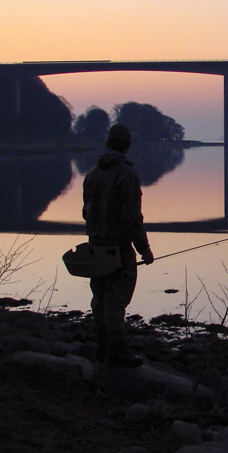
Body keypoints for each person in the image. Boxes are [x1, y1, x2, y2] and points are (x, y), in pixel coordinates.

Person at [82, 123, 154, 367]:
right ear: (127, 145)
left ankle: (102, 351)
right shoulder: (127, 175)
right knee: (115, 302)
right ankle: (117, 354)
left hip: (95, 248)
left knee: (99, 300)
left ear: (107, 143)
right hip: (118, 249)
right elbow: (132, 219)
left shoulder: (91, 173)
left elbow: (86, 212)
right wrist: (144, 249)